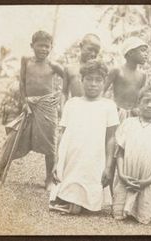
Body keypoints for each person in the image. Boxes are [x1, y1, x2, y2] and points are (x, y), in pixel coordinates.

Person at [0, 30, 64, 190]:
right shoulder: (26, 60)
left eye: (47, 47)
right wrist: (25, 101)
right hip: (29, 105)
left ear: (51, 47)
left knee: (50, 144)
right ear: (32, 46)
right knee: (12, 137)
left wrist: (60, 95)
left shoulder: (53, 65)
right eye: (40, 46)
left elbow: (68, 77)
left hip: (47, 107)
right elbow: (22, 82)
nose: (44, 50)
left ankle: (48, 179)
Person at [49, 60, 119, 214]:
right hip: (72, 156)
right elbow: (62, 134)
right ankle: (69, 201)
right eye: (89, 79)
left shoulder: (108, 106)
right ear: (82, 80)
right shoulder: (72, 104)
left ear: (104, 82)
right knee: (67, 188)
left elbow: (110, 138)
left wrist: (108, 166)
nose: (93, 84)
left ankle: (80, 204)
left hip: (94, 158)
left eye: (98, 80)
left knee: (90, 201)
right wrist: (57, 161)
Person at [112, 85, 151, 224]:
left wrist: (149, 179)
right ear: (138, 103)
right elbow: (120, 153)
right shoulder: (128, 123)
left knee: (144, 215)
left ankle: (142, 210)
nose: (150, 105)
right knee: (119, 212)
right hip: (126, 175)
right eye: (146, 101)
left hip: (148, 178)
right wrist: (121, 175)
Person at [103, 36, 148, 121]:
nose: (146, 54)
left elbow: (142, 97)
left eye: (146, 51)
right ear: (130, 53)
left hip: (135, 115)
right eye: (142, 50)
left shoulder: (143, 75)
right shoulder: (117, 71)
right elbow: (102, 91)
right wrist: (110, 108)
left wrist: (139, 109)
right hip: (117, 113)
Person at [63, 33, 101, 99]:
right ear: (81, 46)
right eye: (90, 49)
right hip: (76, 107)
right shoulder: (70, 68)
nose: (93, 54)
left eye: (96, 51)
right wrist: (62, 108)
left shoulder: (99, 69)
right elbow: (64, 92)